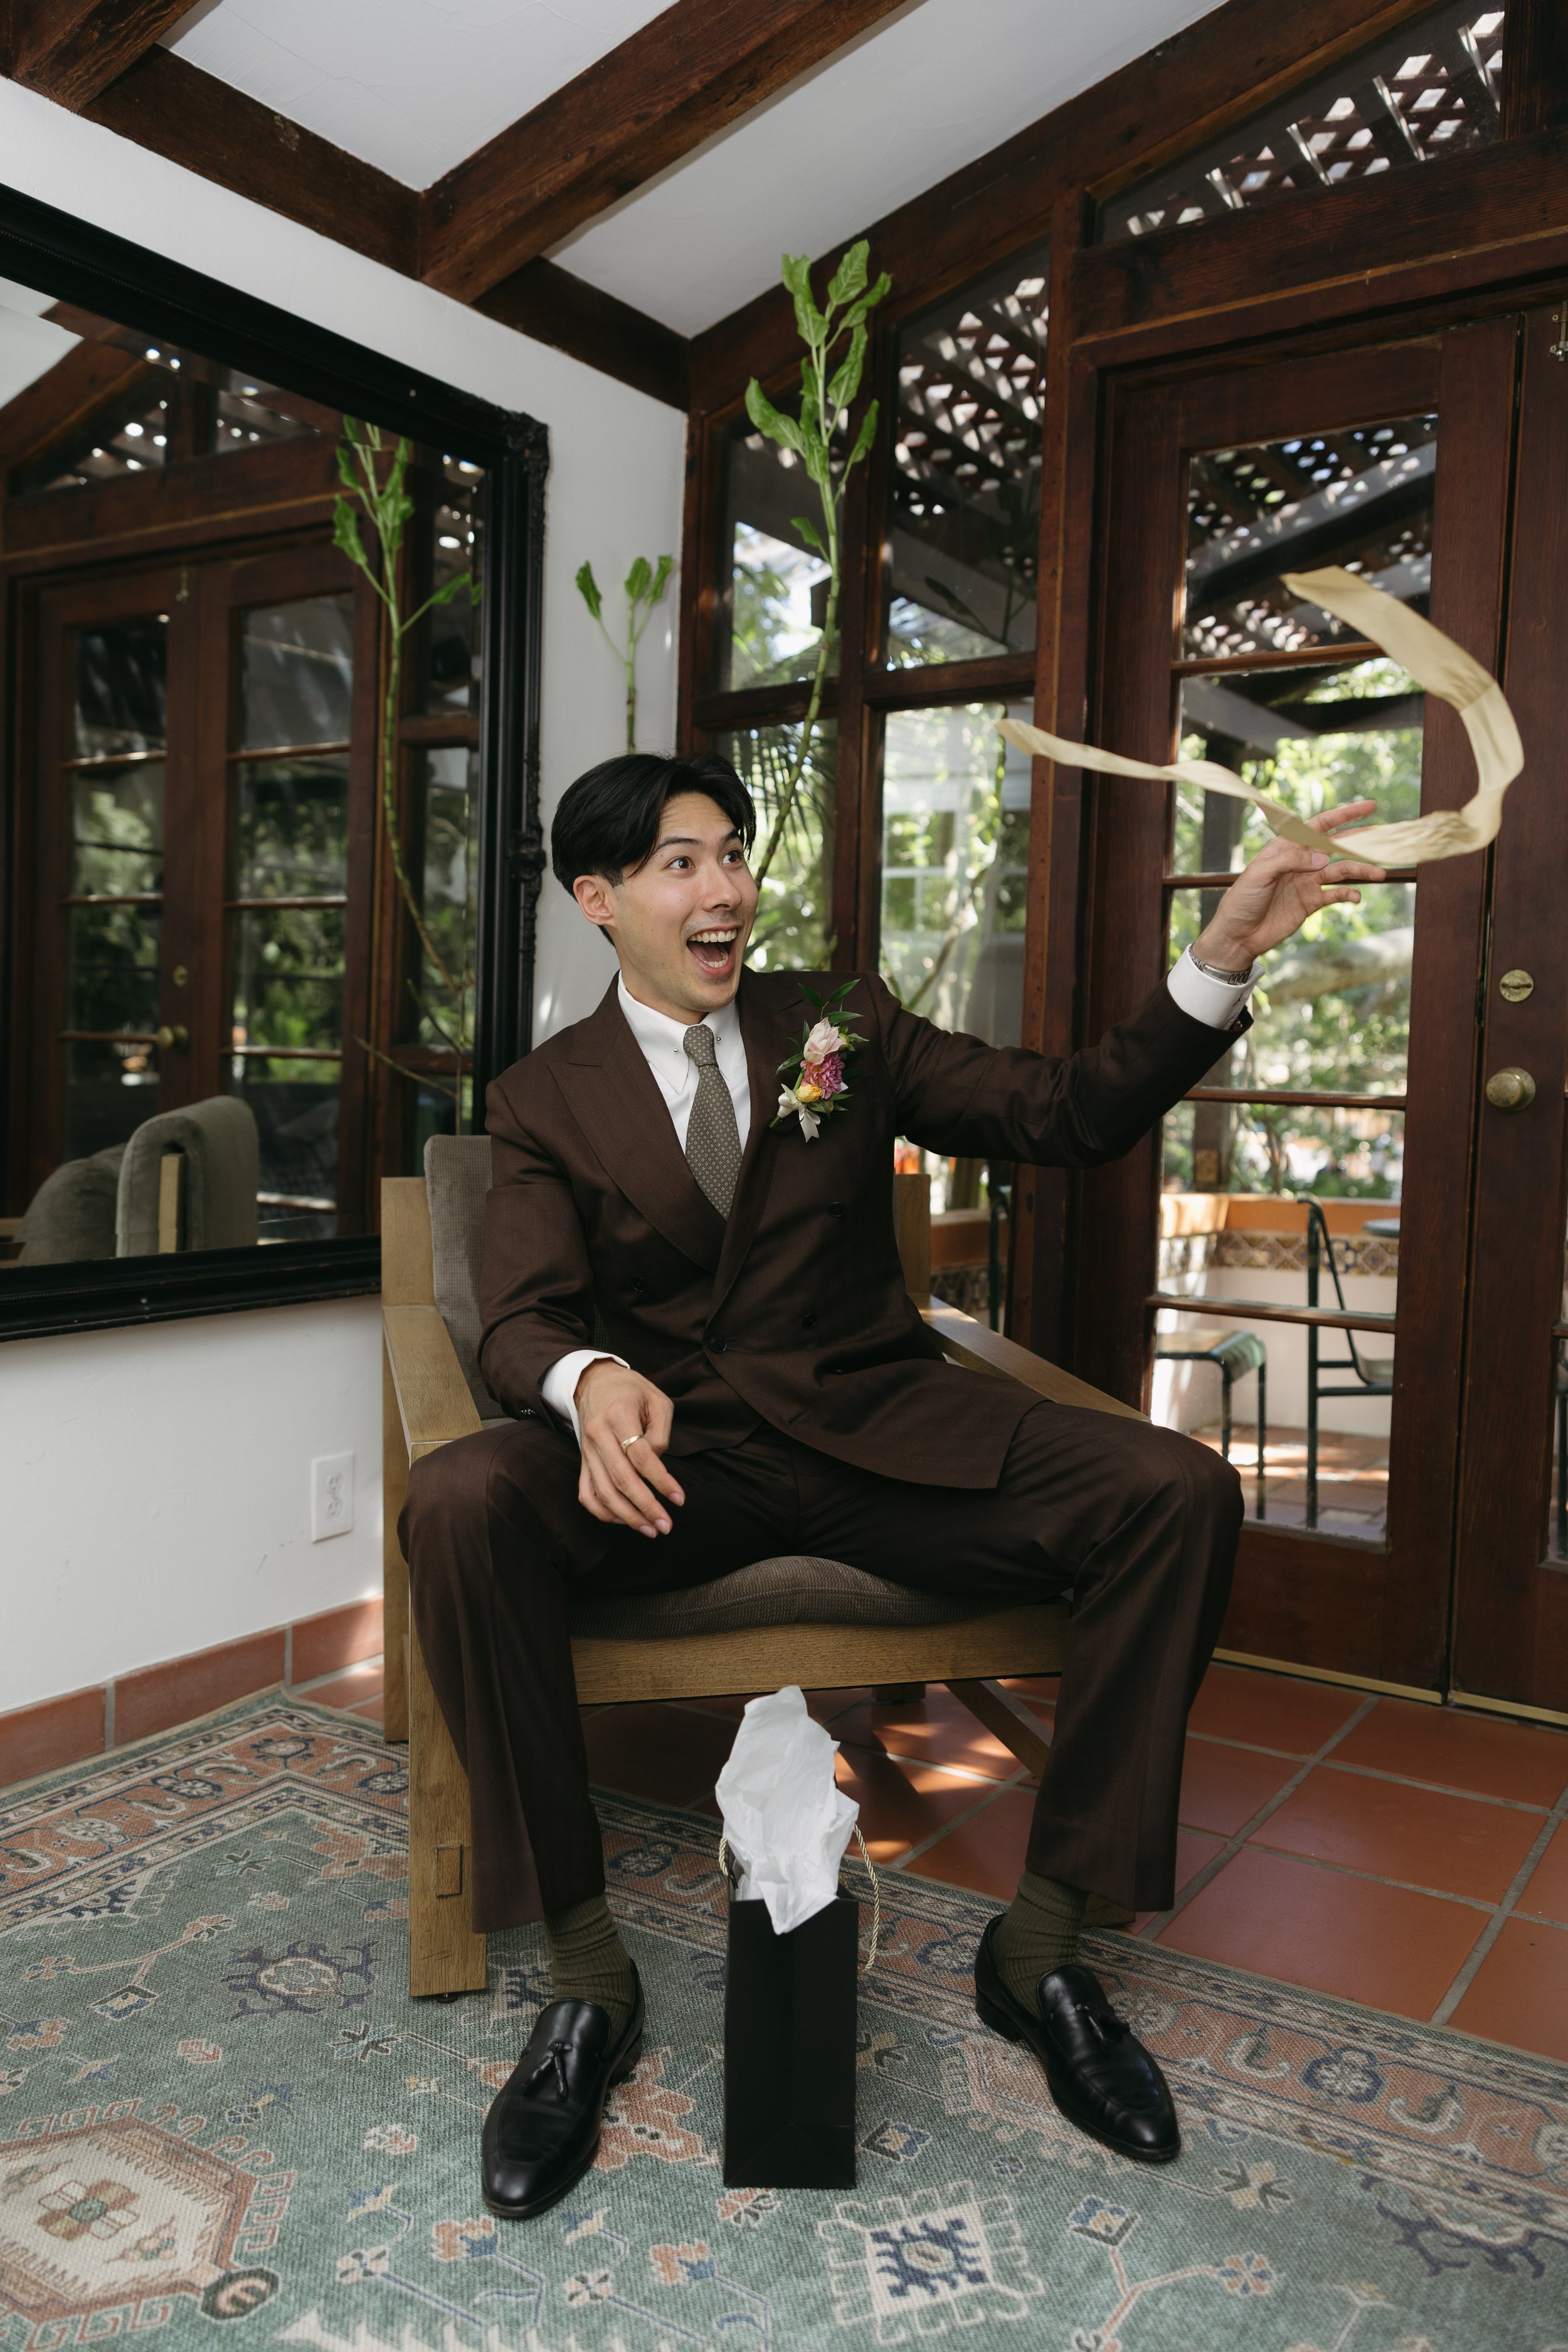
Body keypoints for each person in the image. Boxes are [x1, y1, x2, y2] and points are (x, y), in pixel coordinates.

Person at [401, 749, 1384, 2220]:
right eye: (682, 863)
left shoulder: (836, 1023)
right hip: (683, 1473)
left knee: (1175, 1489)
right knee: (462, 1500)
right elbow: (524, 1317)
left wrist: (1216, 958)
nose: (725, 886)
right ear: (599, 900)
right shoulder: (544, 1098)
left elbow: (1066, 1113)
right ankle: (588, 1982)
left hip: (883, 1441)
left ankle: (1041, 1948)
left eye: (733, 852)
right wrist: (584, 1381)